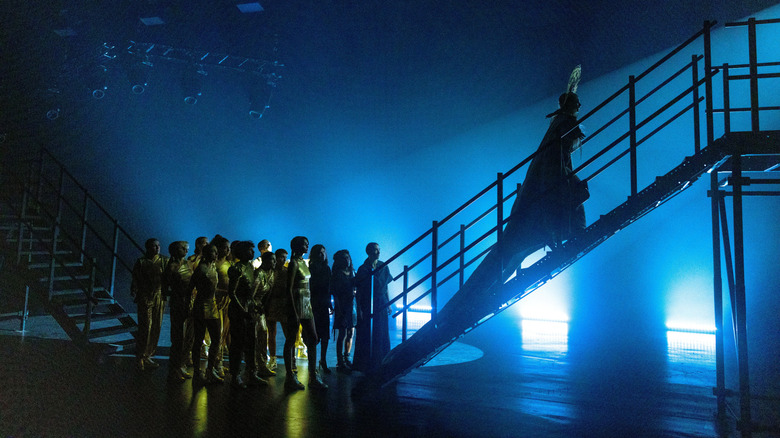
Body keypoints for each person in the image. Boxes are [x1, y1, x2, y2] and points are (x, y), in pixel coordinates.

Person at [284, 236, 327, 390]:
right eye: (304, 244)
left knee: (313, 338)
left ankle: (313, 376)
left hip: (306, 304)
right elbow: (289, 288)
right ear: (296, 246)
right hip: (297, 303)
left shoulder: (303, 262)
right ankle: (290, 377)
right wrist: (293, 311)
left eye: (307, 243)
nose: (307, 246)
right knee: (290, 340)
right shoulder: (294, 263)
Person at [227, 240, 266, 389]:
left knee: (251, 341)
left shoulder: (250, 267)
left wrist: (255, 306)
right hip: (239, 309)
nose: (252, 252)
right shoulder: (236, 269)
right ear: (242, 252)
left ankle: (251, 372)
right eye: (249, 250)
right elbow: (232, 293)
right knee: (238, 343)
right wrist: (242, 311)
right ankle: (235, 375)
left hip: (249, 307)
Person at [353, 242, 393, 373]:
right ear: (369, 251)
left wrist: (389, 303)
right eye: (375, 250)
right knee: (368, 332)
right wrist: (358, 308)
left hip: (381, 302)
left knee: (381, 331)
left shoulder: (383, 266)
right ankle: (366, 363)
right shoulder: (363, 269)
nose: (378, 252)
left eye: (379, 250)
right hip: (368, 302)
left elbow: (386, 286)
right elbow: (359, 290)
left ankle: (382, 360)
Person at [187, 243, 224, 384]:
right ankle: (198, 372)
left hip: (212, 305)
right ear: (206, 254)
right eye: (213, 252)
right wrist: (188, 306)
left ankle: (210, 370)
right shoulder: (201, 269)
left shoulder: (212, 267)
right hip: (202, 306)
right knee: (199, 339)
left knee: (216, 339)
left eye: (216, 252)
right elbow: (191, 288)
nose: (216, 254)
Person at [131, 238, 168, 371]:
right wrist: (134, 289)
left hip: (159, 296)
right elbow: (135, 278)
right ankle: (140, 355)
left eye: (158, 245)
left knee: (156, 326)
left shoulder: (164, 260)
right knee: (146, 326)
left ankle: (148, 355)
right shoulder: (142, 262)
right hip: (145, 296)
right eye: (154, 246)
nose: (157, 248)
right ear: (148, 248)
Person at [162, 241, 194, 382]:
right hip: (178, 302)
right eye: (183, 248)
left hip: (190, 301)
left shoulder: (188, 263)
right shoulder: (171, 266)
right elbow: (165, 286)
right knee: (178, 337)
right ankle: (174, 368)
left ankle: (181, 365)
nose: (186, 250)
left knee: (188, 335)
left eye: (187, 248)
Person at [331, 249, 356, 373]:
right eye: (344, 258)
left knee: (351, 332)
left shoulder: (352, 272)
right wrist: (338, 308)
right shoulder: (337, 274)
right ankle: (340, 361)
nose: (347, 260)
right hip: (342, 305)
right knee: (342, 334)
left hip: (353, 306)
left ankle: (347, 357)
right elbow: (335, 293)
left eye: (348, 257)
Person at [309, 244, 332, 373]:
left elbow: (329, 288)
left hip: (323, 304)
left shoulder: (327, 269)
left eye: (323, 252)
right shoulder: (311, 268)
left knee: (325, 335)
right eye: (319, 253)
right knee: (314, 335)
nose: (322, 255)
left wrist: (329, 303)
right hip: (314, 304)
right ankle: (313, 362)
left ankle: (323, 360)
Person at [253, 251, 277, 379]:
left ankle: (261, 365)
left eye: (274, 260)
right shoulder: (258, 273)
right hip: (253, 307)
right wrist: (256, 307)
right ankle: (255, 367)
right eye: (271, 260)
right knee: (256, 337)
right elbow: (251, 294)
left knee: (262, 335)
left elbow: (268, 294)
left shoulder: (271, 274)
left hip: (261, 308)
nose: (274, 262)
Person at [264, 248, 288, 372]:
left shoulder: (287, 271)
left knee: (287, 333)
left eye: (285, 257)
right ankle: (272, 358)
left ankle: (290, 358)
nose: (283, 260)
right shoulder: (270, 272)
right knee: (271, 332)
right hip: (272, 303)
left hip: (283, 304)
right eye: (281, 257)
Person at [212, 234, 232, 378]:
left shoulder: (229, 264)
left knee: (226, 333)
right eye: (225, 247)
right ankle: (215, 364)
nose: (228, 250)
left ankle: (222, 362)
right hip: (216, 301)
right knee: (217, 334)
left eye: (229, 248)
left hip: (228, 301)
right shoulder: (214, 264)